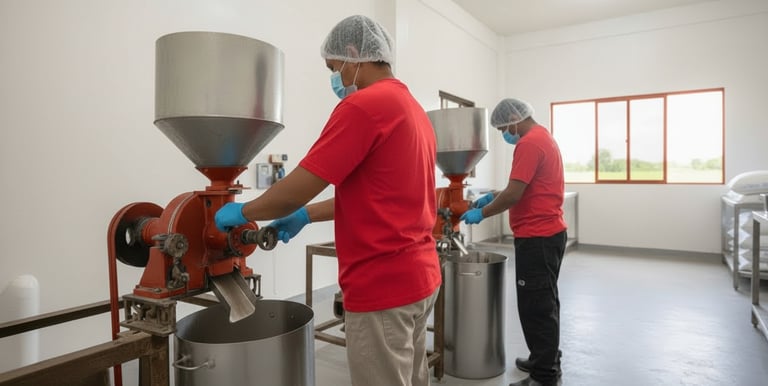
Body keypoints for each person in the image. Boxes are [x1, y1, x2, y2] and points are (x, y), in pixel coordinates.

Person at [215, 15, 442, 386]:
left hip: (382, 286)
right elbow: (377, 196)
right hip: (420, 279)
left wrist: (244, 211)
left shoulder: (364, 107)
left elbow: (300, 184)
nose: (334, 79)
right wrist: (305, 215)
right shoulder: (412, 109)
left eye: (334, 67)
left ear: (354, 55)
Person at [460, 98, 567, 386]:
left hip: (538, 237)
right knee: (545, 301)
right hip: (548, 233)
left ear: (514, 119)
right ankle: (543, 358)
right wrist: (491, 195)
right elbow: (519, 187)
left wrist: (482, 211)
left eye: (503, 128)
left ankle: (544, 376)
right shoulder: (542, 136)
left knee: (536, 306)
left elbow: (514, 194)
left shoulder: (529, 143)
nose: (503, 134)